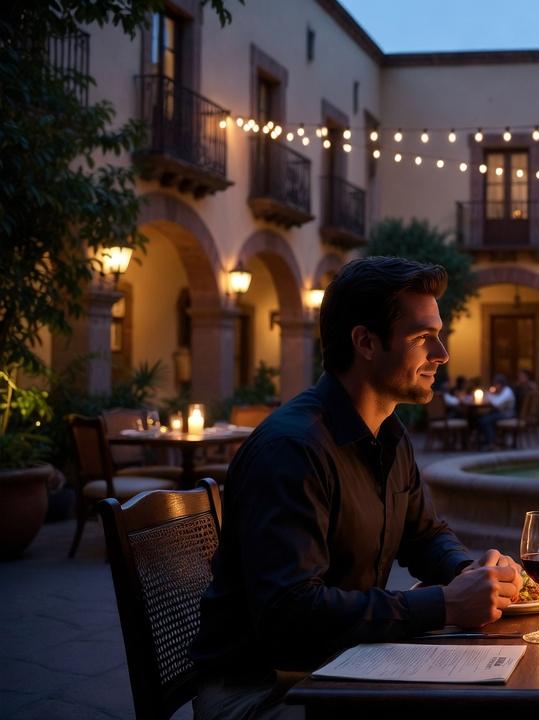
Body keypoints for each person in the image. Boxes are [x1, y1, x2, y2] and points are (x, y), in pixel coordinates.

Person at [191, 257, 521, 720]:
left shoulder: (388, 433)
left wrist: (470, 572)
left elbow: (425, 535)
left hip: (342, 661)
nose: (442, 353)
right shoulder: (292, 450)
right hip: (261, 688)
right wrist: (445, 604)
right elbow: (291, 613)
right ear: (365, 342)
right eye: (422, 337)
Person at [476, 373, 516, 450]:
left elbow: (497, 404)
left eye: (496, 384)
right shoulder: (500, 391)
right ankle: (488, 441)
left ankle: (491, 443)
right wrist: (490, 395)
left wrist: (489, 395)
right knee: (480, 418)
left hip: (507, 414)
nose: (495, 386)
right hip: (500, 412)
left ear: (500, 384)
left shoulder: (507, 392)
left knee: (485, 420)